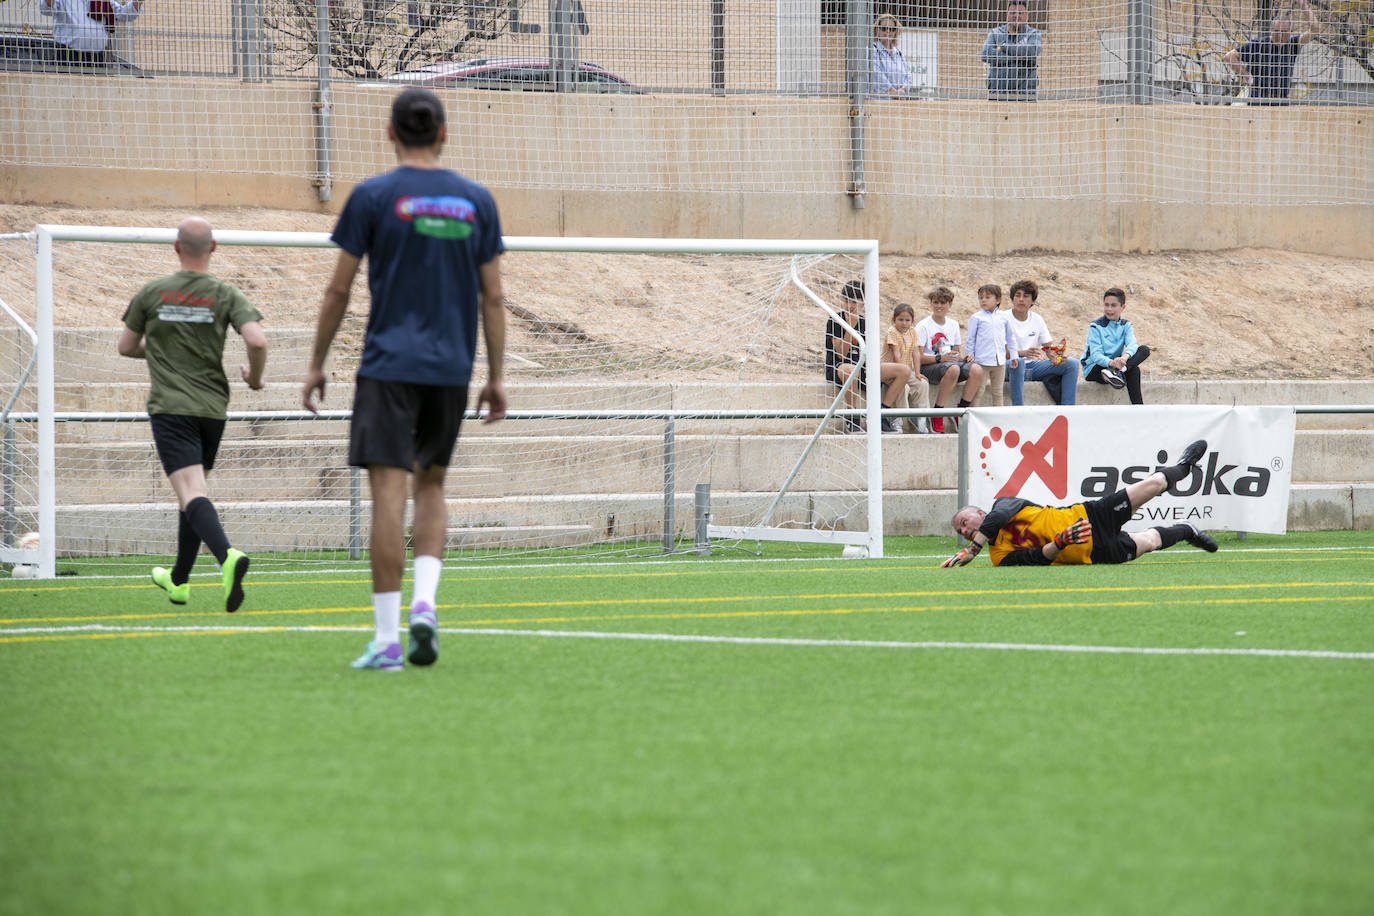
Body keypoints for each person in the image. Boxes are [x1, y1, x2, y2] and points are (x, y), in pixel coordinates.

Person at [304, 88, 507, 672]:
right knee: (433, 488)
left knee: (388, 500)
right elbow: (493, 295)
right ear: (444, 134)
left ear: (389, 133)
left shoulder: (371, 196)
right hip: (451, 368)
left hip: (388, 367)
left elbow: (338, 289)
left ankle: (388, 640)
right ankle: (426, 604)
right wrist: (495, 376)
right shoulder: (476, 200)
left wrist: (317, 362)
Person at [118, 217, 264, 613]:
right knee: (190, 495)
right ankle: (179, 581)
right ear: (213, 247)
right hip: (213, 410)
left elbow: (126, 346)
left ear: (176, 247)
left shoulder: (153, 292)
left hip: (172, 408)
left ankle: (227, 556)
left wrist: (163, 348)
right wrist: (254, 378)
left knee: (192, 493)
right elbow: (256, 340)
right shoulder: (225, 293)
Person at [942, 439, 1218, 567]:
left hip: (1090, 515)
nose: (965, 530)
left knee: (1154, 485)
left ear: (979, 512)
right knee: (1149, 542)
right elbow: (1038, 558)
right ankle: (1186, 530)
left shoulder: (1002, 505)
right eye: (961, 531)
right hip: (1093, 552)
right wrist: (1061, 542)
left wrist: (973, 548)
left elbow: (998, 517)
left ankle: (1183, 466)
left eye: (964, 523)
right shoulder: (998, 556)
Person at [824, 280, 911, 434]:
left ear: (862, 304)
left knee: (903, 371)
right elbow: (840, 353)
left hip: (863, 368)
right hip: (840, 368)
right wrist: (850, 328)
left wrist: (875, 367)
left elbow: (871, 353)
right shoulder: (835, 320)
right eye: (847, 301)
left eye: (855, 302)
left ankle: (880, 413)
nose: (850, 306)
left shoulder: (866, 322)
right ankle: (853, 418)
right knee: (851, 370)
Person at [1223, 3, 1320, 106]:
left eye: (1284, 32)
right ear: (1271, 30)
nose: (1280, 35)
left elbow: (1315, 30)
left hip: (1281, 101)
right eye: (1276, 31)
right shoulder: (1258, 45)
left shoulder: (1293, 44)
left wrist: (1304, 5)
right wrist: (1246, 75)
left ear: (1291, 31)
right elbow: (1229, 56)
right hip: (1259, 98)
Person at [917, 286, 983, 434]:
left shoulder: (953, 324)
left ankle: (961, 411)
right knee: (953, 368)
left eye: (943, 303)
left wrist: (965, 358)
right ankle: (937, 413)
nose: (939, 306)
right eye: (936, 302)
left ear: (950, 305)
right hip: (930, 367)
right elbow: (918, 358)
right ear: (931, 304)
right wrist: (940, 358)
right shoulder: (923, 326)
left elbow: (955, 354)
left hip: (950, 365)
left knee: (976, 368)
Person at [1005, 279, 1078, 406]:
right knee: (1019, 362)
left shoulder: (1037, 319)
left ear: (1033, 301)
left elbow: (1048, 348)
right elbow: (999, 353)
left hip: (1032, 368)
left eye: (1026, 296)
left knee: (1072, 363)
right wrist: (1022, 353)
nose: (1021, 299)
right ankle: (1018, 410)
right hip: (1009, 367)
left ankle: (1068, 409)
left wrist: (1055, 356)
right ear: (1012, 299)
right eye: (1017, 295)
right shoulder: (1003, 318)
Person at [1082, 286, 1150, 405]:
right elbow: (1096, 355)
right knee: (1132, 369)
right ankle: (1116, 372)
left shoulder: (1126, 325)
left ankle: (1138, 408)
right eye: (1106, 305)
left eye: (1113, 305)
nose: (1109, 309)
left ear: (1122, 307)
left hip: (1116, 367)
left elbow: (1132, 345)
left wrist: (1124, 359)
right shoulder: (1095, 326)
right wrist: (1112, 363)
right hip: (1095, 368)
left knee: (1143, 351)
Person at [39, 0, 143, 66]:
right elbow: (46, 9)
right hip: (67, 55)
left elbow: (123, 13)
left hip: (97, 57)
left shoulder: (103, 1)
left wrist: (138, 1)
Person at [882, 303, 933, 433]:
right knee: (903, 386)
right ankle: (896, 417)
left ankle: (918, 416)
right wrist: (903, 373)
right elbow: (896, 353)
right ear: (893, 320)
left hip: (906, 370)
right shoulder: (892, 332)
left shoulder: (913, 332)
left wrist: (917, 373)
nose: (904, 323)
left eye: (907, 320)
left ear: (912, 321)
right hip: (891, 370)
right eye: (900, 320)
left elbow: (916, 353)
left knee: (922, 383)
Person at [964, 283, 1017, 407]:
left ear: (998, 300)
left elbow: (1010, 338)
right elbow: (970, 339)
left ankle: (998, 420)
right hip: (981, 362)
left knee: (998, 392)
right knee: (979, 391)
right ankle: (972, 418)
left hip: (1000, 362)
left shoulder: (1004, 317)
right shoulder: (976, 317)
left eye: (987, 297)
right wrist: (969, 355)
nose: (983, 300)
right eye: (980, 297)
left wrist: (1014, 356)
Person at [981, 1, 1042, 101]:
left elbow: (1032, 51)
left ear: (1027, 16)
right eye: (1012, 13)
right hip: (997, 94)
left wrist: (1004, 47)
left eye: (1020, 13)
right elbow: (985, 54)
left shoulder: (1034, 34)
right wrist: (1020, 57)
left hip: (1025, 95)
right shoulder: (995, 33)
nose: (1016, 16)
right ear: (1007, 15)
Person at [869, 14, 914, 99]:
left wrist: (903, 91)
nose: (888, 31)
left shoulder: (899, 54)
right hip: (878, 103)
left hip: (898, 103)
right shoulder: (872, 50)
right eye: (884, 28)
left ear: (895, 32)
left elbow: (908, 76)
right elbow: (875, 75)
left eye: (892, 29)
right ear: (877, 30)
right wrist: (894, 93)